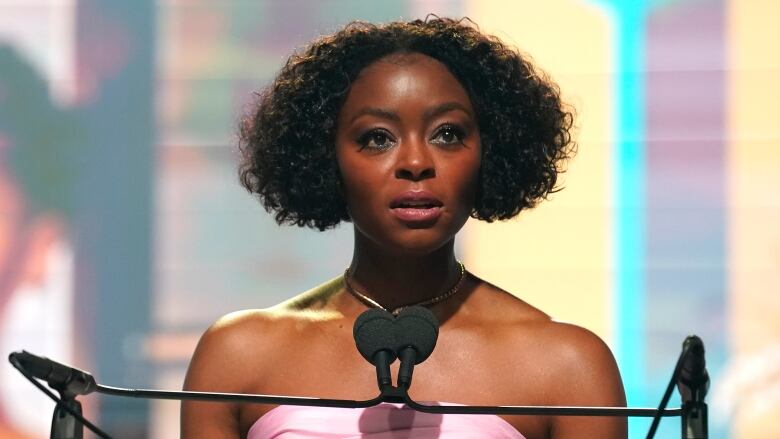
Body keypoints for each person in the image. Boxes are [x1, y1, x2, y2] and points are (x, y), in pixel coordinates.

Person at [181, 17, 627, 438]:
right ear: (323, 157)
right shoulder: (237, 356)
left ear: (491, 152)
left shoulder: (569, 366)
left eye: (447, 134)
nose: (416, 163)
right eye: (377, 137)